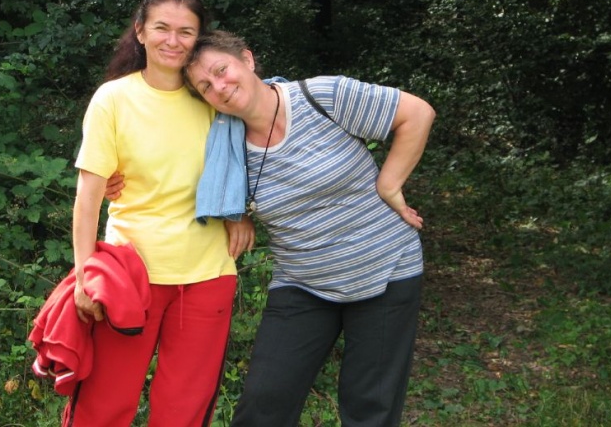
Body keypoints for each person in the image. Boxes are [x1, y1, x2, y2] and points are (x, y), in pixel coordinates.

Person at [183, 30, 436, 427]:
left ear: (247, 59)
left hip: (385, 269)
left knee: (370, 407)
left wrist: (389, 183)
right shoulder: (224, 144)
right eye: (205, 86)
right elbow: (166, 169)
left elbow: (417, 113)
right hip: (303, 283)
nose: (220, 87)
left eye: (221, 70)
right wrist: (236, 213)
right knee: (264, 402)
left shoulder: (322, 96)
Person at [67, 0, 253, 427]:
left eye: (186, 31)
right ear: (140, 31)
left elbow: (248, 155)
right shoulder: (113, 99)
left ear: (199, 37)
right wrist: (83, 275)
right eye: (162, 28)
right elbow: (87, 198)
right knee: (104, 403)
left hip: (208, 273)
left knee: (184, 409)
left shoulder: (212, 94)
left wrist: (239, 211)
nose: (173, 40)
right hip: (130, 275)